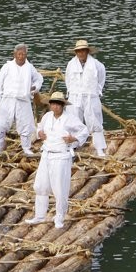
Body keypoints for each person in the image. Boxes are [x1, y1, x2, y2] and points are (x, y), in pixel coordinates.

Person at [28, 90, 89, 229]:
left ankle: (60, 217)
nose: (55, 107)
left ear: (62, 106)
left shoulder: (70, 118)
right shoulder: (47, 116)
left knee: (59, 188)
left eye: (58, 105)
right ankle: (40, 215)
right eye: (53, 104)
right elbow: (39, 128)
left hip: (61, 155)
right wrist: (40, 133)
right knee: (40, 185)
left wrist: (74, 138)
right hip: (46, 153)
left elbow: (83, 131)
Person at [0, 43, 44, 156]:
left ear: (26, 55)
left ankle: (26, 147)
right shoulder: (7, 67)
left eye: (23, 54)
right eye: (19, 54)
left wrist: (35, 87)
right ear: (14, 54)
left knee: (26, 125)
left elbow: (39, 78)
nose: (21, 56)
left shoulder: (30, 68)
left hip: (23, 100)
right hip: (7, 99)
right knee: (1, 124)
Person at [65, 38, 108, 157]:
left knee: (95, 121)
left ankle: (99, 148)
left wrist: (96, 91)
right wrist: (72, 92)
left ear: (87, 51)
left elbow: (101, 78)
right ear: (76, 52)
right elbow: (68, 80)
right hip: (75, 96)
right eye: (78, 51)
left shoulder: (97, 65)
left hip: (91, 96)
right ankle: (72, 146)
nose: (81, 53)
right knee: (73, 121)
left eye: (83, 50)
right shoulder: (71, 64)